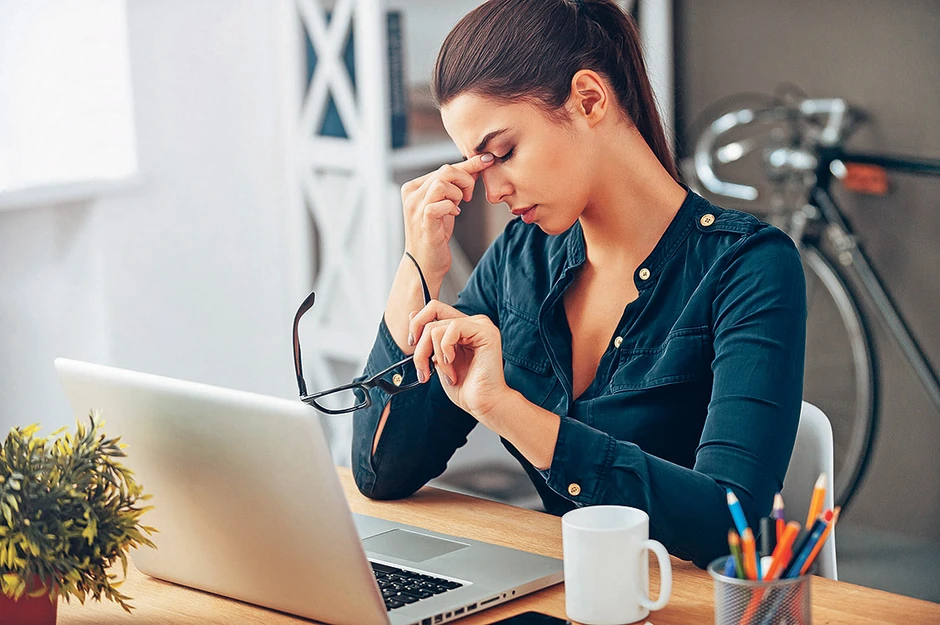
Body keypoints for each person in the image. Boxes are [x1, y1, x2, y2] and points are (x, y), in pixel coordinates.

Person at [350, 0, 806, 568]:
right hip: (566, 593)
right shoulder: (520, 258)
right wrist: (420, 263)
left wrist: (507, 410)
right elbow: (381, 472)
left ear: (589, 99)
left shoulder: (747, 267)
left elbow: (727, 520)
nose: (492, 192)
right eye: (477, 164)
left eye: (504, 152)